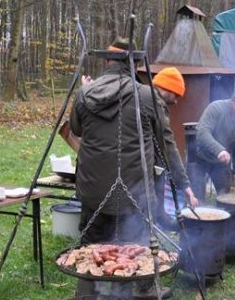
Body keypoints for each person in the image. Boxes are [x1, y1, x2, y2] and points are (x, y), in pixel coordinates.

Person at [69, 37, 159, 245]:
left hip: (93, 191)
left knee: (91, 250)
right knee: (135, 252)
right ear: (135, 65)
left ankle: (89, 277)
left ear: (106, 62)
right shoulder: (146, 96)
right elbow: (162, 140)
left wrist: (87, 91)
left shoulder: (84, 93)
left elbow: (76, 129)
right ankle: (135, 277)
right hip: (134, 193)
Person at [151, 67, 199, 221]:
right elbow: (169, 146)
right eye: (176, 95)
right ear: (167, 88)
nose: (176, 101)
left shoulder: (146, 98)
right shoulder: (156, 105)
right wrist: (186, 187)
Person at [192, 85, 235, 200]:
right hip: (201, 159)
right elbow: (202, 133)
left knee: (225, 198)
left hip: (222, 165)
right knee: (197, 198)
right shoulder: (216, 108)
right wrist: (219, 150)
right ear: (233, 102)